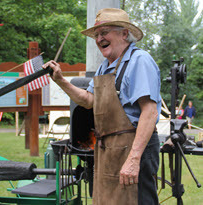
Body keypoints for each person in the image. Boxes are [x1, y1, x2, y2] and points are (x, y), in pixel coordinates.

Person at [43, 8, 161, 205]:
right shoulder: (105, 66)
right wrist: (61, 80)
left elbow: (149, 112)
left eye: (104, 32)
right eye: (97, 35)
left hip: (133, 149)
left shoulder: (140, 61)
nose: (99, 39)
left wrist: (133, 159)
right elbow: (89, 100)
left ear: (124, 33)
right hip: (109, 150)